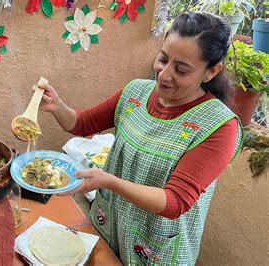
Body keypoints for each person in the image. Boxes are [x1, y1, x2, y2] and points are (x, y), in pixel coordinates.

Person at [38, 12, 243, 265]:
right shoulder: (136, 92)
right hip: (111, 223)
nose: (164, 75)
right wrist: (57, 105)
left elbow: (175, 201)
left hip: (156, 245)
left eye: (181, 69)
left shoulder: (218, 126)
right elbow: (83, 123)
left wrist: (110, 182)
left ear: (212, 71)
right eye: (163, 59)